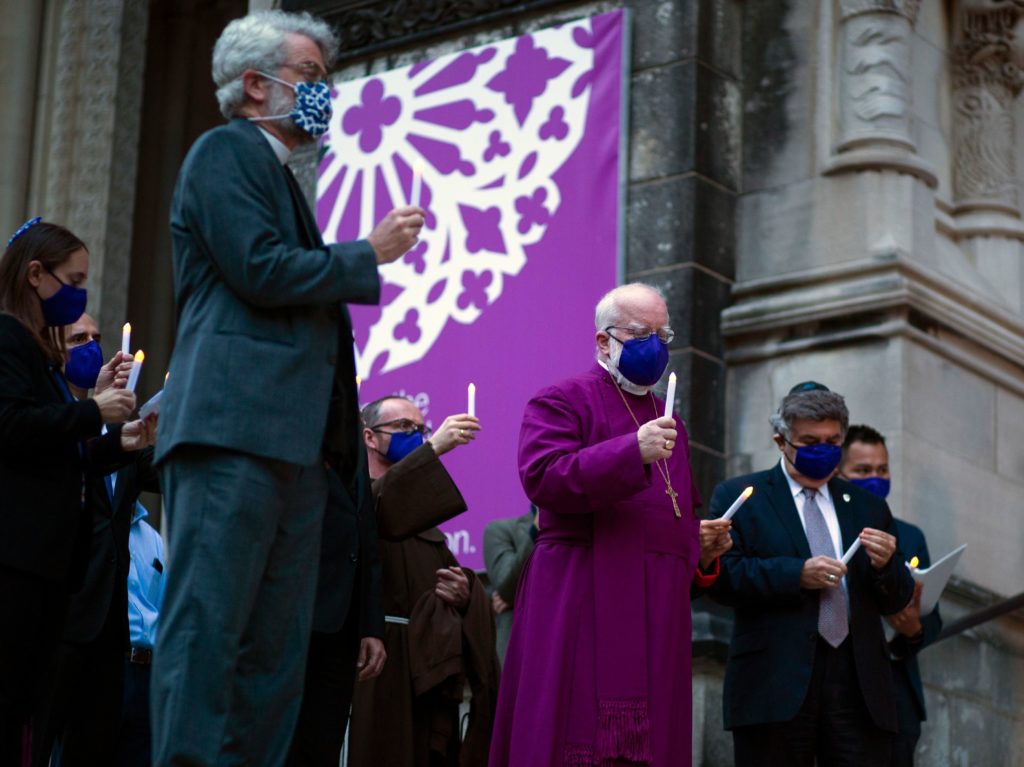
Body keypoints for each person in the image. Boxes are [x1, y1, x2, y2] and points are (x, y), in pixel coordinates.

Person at [149, 9, 424, 765]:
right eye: (309, 77)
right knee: (209, 632)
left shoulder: (278, 175)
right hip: (232, 432)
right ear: (253, 83)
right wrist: (367, 252)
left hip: (296, 454)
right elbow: (259, 268)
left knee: (275, 657)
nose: (322, 93)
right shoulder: (224, 152)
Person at [489, 283, 733, 767]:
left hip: (658, 608)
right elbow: (543, 477)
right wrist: (631, 451)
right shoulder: (560, 400)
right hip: (582, 589)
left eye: (664, 335)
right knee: (571, 731)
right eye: (642, 333)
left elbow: (680, 509)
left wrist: (703, 548)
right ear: (604, 342)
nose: (656, 347)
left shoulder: (671, 423)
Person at [0, 219, 153, 764]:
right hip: (16, 563)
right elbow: (11, 428)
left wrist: (119, 442)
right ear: (36, 275)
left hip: (48, 573)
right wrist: (93, 411)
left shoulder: (37, 354)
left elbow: (60, 457)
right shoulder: (8, 339)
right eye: (74, 278)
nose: (81, 292)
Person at [707, 382, 916, 766]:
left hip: (858, 687)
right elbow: (722, 577)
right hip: (774, 684)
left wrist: (887, 565)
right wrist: (796, 574)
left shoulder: (867, 506)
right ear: (781, 440)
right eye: (809, 441)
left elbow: (897, 599)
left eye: (832, 441)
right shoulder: (743, 496)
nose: (822, 450)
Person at [346, 395, 499, 767]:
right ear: (368, 437)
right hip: (369, 670)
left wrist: (464, 594)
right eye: (403, 427)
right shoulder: (352, 500)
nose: (414, 434)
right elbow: (376, 507)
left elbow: (459, 590)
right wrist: (433, 447)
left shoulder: (427, 530)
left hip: (420, 678)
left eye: (420, 429)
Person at [38, 315, 158, 767]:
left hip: (110, 625)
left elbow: (164, 476)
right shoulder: (45, 423)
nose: (91, 347)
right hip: (57, 619)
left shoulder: (117, 430)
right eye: (78, 339)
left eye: (95, 338)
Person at [841, 424, 942, 767]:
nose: (875, 478)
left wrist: (912, 628)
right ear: (840, 472)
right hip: (842, 691)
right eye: (863, 470)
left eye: (882, 470)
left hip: (897, 698)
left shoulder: (910, 535)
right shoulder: (827, 526)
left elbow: (931, 621)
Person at [286, 443, 385, 767]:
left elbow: (365, 532)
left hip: (343, 624)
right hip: (291, 615)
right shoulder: (290, 421)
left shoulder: (350, 439)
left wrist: (371, 626)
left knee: (323, 744)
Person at [119, 500, 165, 767]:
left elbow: (165, 606)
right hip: (109, 665)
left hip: (149, 673)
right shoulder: (95, 524)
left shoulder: (154, 539)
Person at [482, 506, 536, 664]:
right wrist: (537, 529)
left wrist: (521, 595)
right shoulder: (500, 530)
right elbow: (507, 588)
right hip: (522, 652)